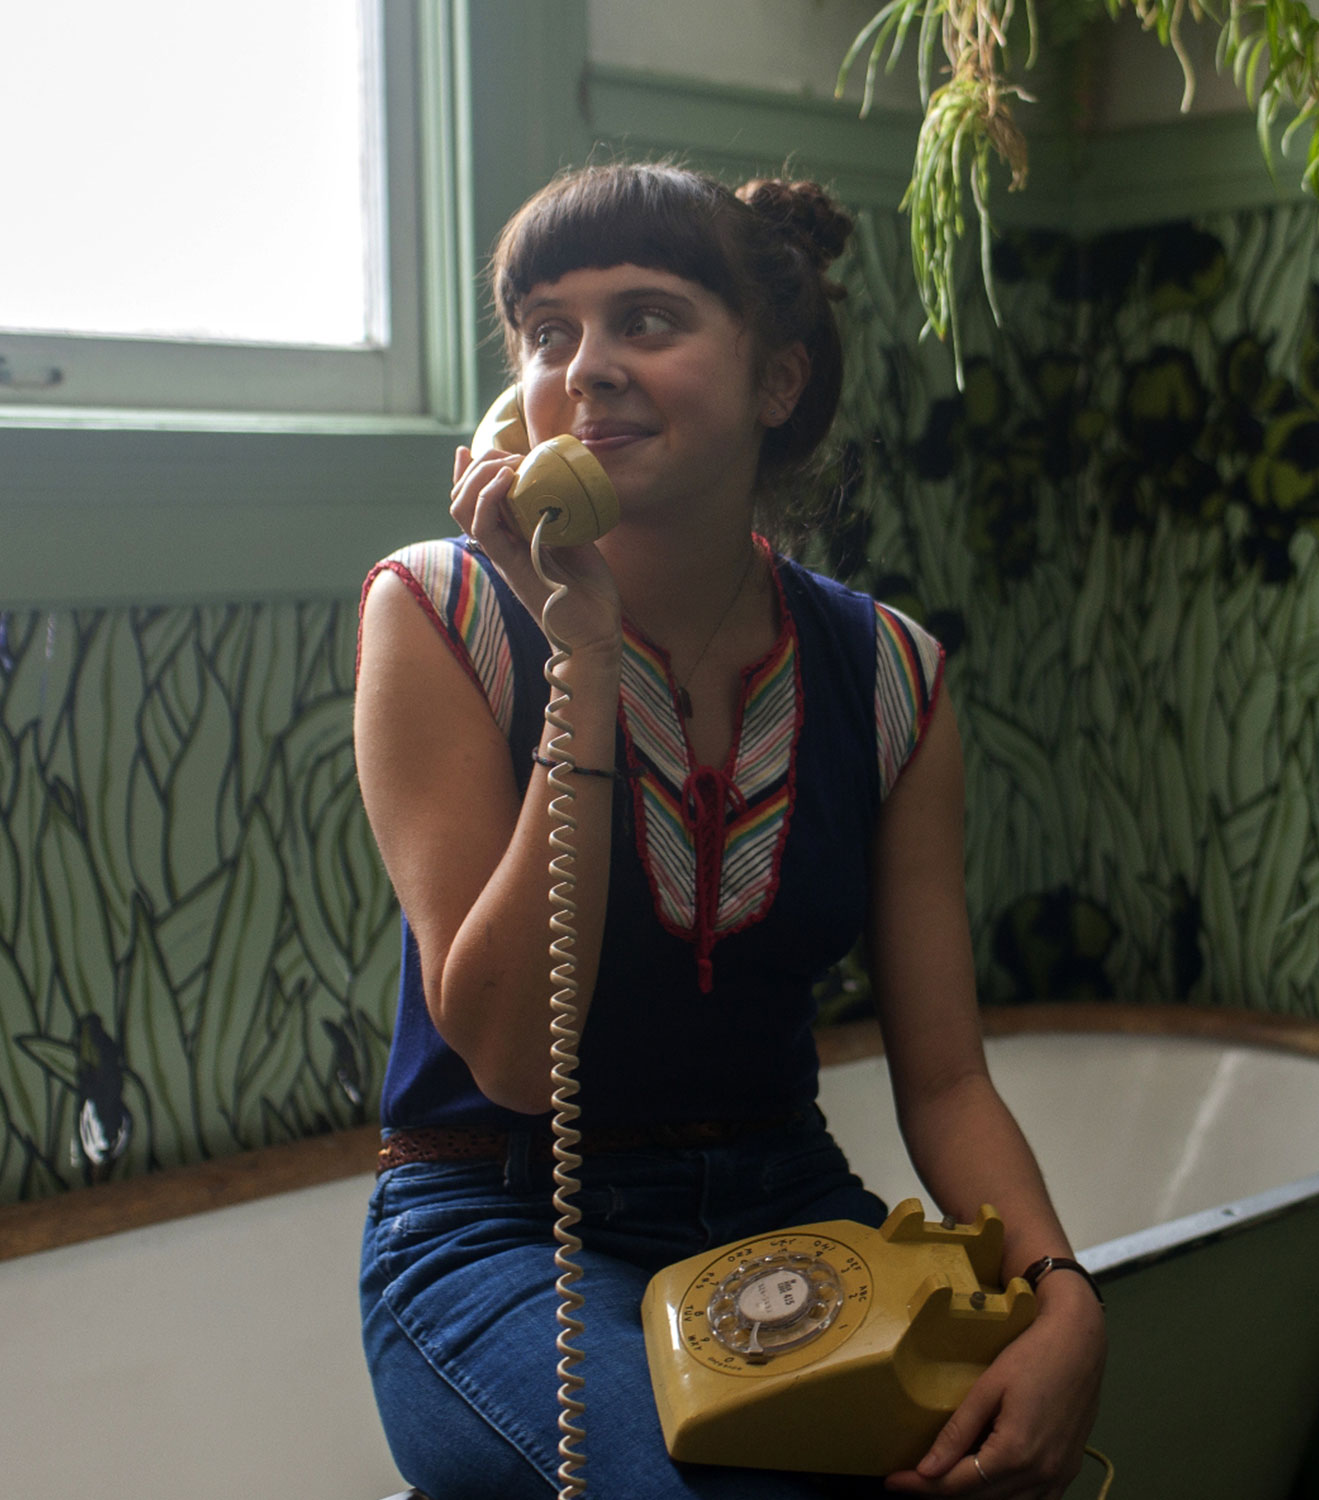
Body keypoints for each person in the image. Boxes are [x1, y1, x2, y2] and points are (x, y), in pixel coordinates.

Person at [352, 162, 1105, 1500]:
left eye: (646, 319)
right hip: (502, 1225)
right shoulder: (438, 616)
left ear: (777, 379)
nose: (586, 368)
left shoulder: (890, 676)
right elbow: (516, 1059)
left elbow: (945, 1081)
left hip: (787, 1214)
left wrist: (1059, 1293)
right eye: (546, 332)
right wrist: (580, 663)